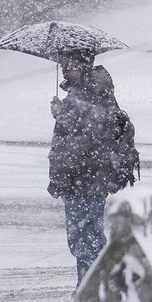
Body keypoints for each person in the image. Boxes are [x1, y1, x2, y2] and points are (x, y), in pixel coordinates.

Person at [48, 49, 131, 283]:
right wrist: (57, 178)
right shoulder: (76, 95)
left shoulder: (95, 90)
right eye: (64, 63)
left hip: (89, 178)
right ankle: (89, 285)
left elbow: (94, 132)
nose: (66, 67)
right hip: (75, 179)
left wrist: (63, 115)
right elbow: (64, 142)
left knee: (89, 238)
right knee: (80, 239)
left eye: (72, 63)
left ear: (84, 64)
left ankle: (95, 287)